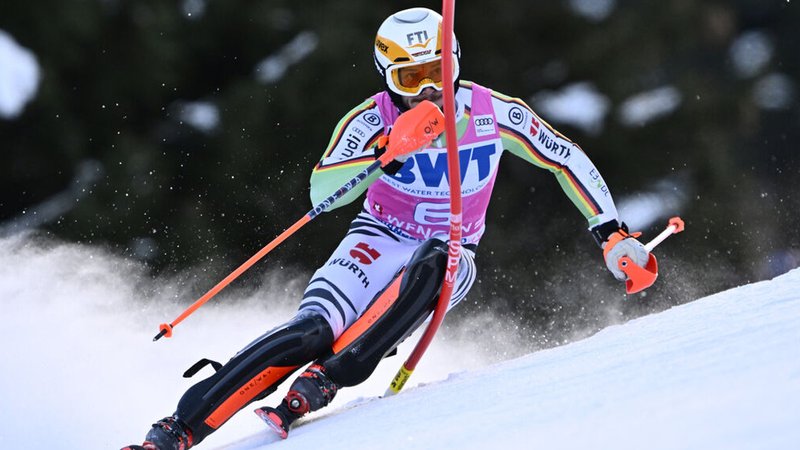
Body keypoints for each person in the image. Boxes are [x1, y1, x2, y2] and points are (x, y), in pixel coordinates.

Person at [123, 7, 649, 450]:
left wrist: (611, 233)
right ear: (385, 77)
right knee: (312, 332)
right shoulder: (369, 120)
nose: (427, 93)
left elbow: (565, 158)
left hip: (451, 247)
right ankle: (175, 431)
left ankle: (327, 379)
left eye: (436, 73)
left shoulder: (492, 113)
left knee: (439, 261)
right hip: (377, 236)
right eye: (409, 80)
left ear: (456, 65)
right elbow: (320, 193)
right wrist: (383, 155)